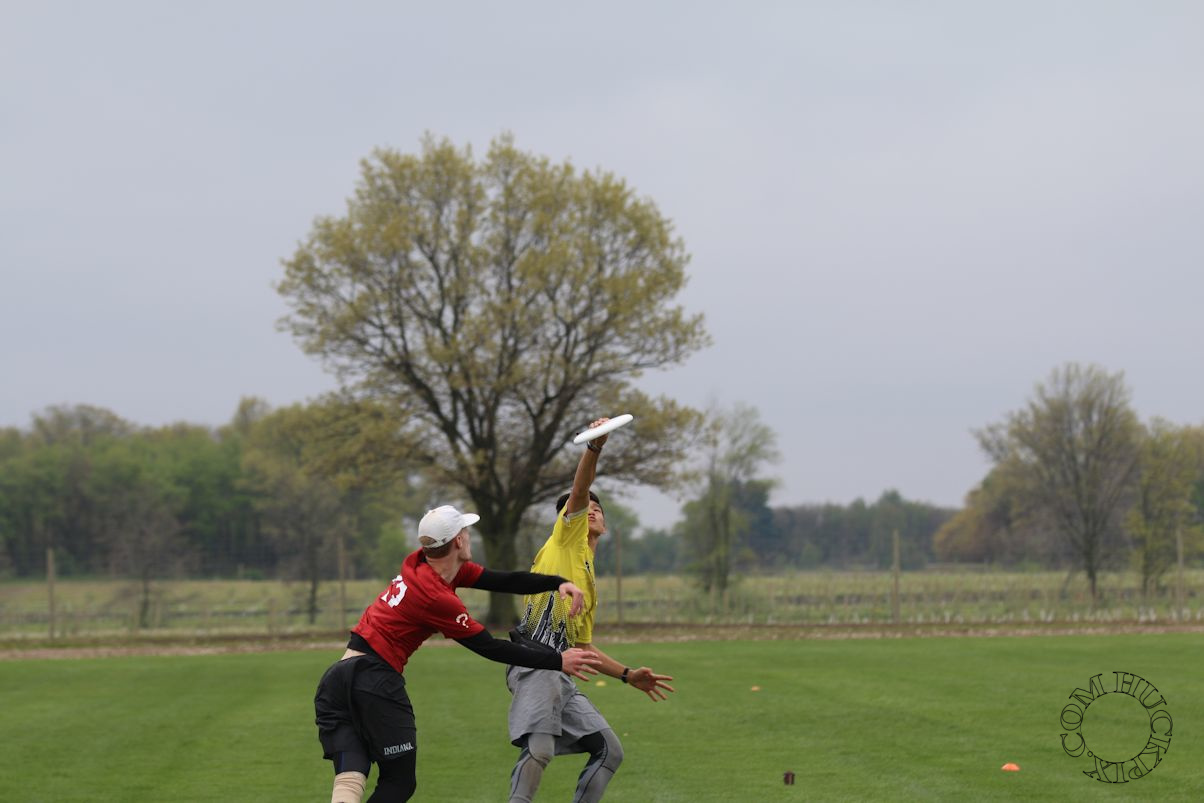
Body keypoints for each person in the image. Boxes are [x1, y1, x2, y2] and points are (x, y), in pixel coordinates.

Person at [314, 504, 601, 803]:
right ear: (459, 541)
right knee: (398, 782)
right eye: (466, 531)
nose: (469, 536)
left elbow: (503, 580)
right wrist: (558, 660)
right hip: (373, 680)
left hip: (337, 680)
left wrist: (557, 583)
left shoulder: (424, 564)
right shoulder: (435, 597)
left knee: (351, 776)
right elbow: (489, 647)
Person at [506, 418, 676, 802]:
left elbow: (583, 649)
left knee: (609, 751)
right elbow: (580, 490)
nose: (592, 510)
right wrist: (594, 447)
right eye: (586, 507)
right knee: (540, 749)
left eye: (598, 508)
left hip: (561, 671)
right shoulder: (565, 541)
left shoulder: (588, 578)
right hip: (535, 662)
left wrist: (627, 674)